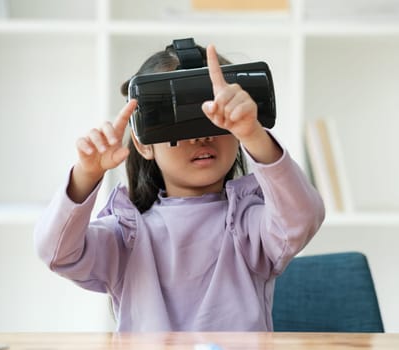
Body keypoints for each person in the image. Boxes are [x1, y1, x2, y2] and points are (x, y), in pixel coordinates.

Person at [34, 42, 325, 332]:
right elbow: (57, 252)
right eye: (180, 124)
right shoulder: (127, 236)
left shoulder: (250, 226)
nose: (200, 138)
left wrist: (253, 134)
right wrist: (86, 173)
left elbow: (302, 218)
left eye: (213, 119)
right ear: (144, 144)